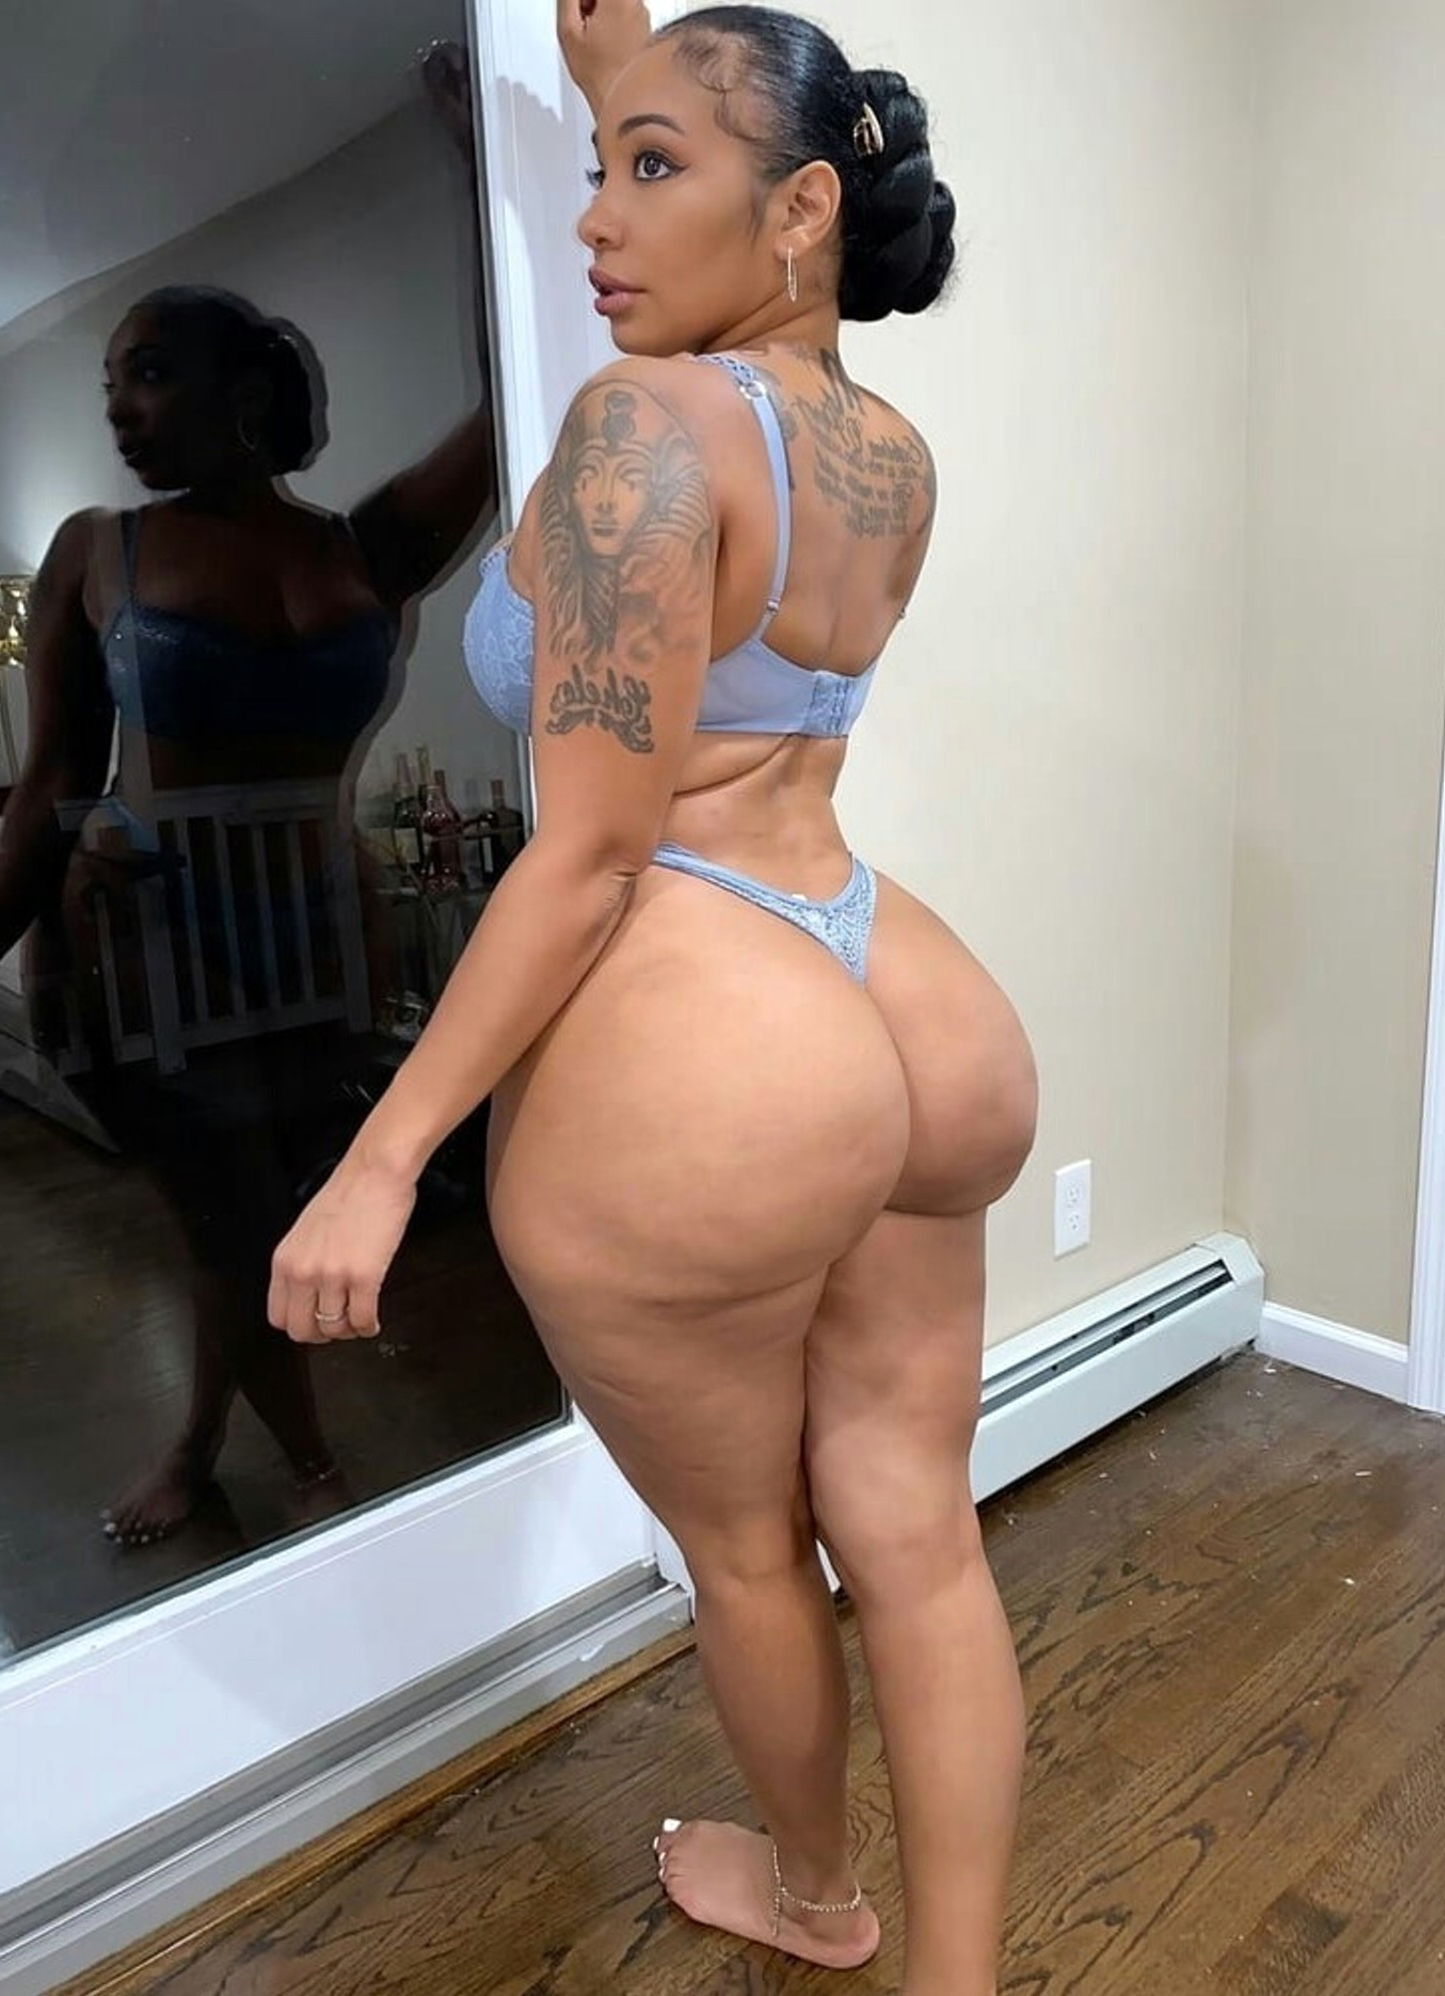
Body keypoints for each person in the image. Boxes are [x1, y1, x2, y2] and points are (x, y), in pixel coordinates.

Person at [269, 5, 1038, 1990]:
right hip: (899, 982)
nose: (598, 218)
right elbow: (727, 167)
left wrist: (380, 1158)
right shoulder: (885, 445)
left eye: (651, 169)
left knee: (751, 1549)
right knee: (918, 1527)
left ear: (800, 208)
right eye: (602, 164)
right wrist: (622, 69)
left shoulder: (643, 430)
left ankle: (816, 1898)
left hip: (715, 1014)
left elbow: (592, 853)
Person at [0, 44, 499, 1546]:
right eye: (111, 384)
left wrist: (487, 174)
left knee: (259, 1218)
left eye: (148, 372)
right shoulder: (96, 551)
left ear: (245, 389)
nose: (122, 408)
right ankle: (317, 1470)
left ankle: (202, 1448)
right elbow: (47, 784)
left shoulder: (361, 547)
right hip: (148, 953)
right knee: (233, 1225)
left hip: (318, 944)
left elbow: (518, 402)